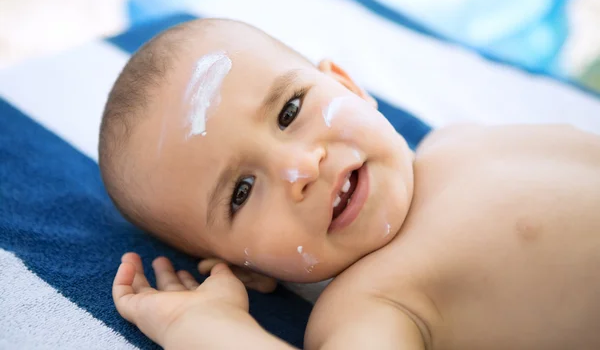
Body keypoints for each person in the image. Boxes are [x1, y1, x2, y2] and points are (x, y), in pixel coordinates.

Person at [100, 18, 600, 349]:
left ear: (348, 86)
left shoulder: (456, 139)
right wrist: (207, 330)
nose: (301, 167)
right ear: (245, 272)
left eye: (290, 110)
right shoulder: (373, 301)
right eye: (242, 192)